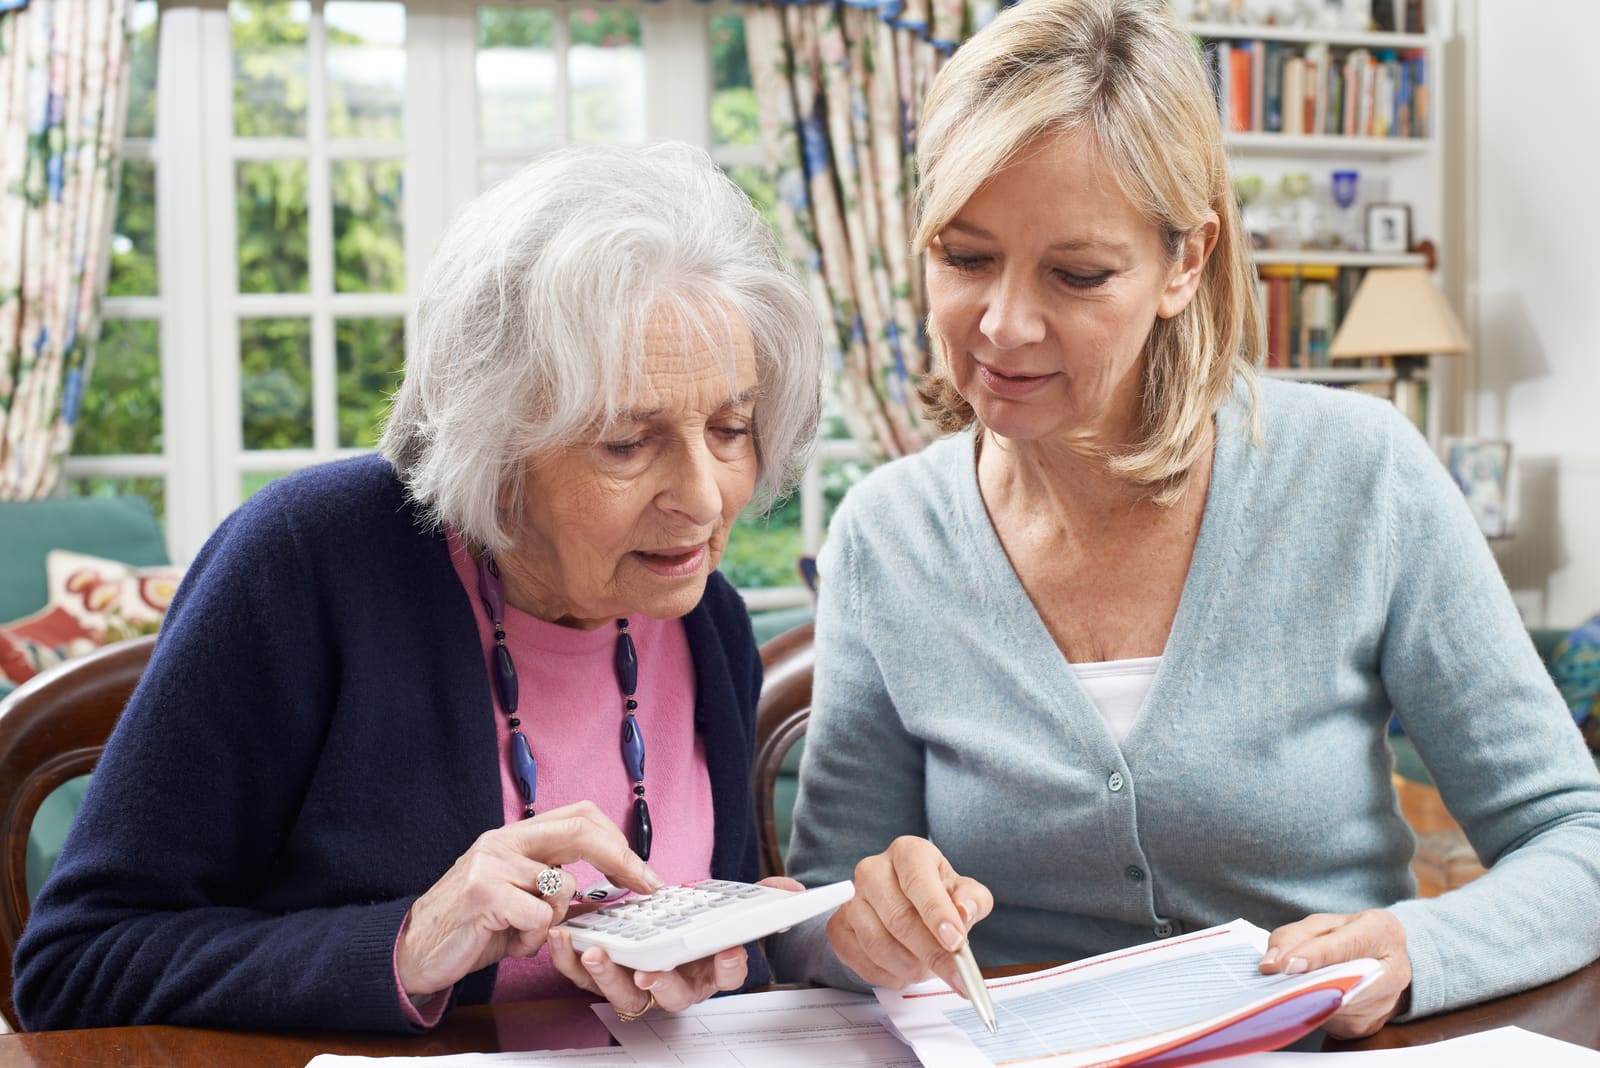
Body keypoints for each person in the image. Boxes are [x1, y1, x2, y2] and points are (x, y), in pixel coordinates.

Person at [769, 0, 1600, 1039]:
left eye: (1077, 274)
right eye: (963, 256)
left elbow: (1576, 837)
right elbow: (814, 914)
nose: (1003, 325)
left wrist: (1417, 950)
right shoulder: (886, 535)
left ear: (1185, 262)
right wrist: (861, 922)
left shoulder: (1358, 475)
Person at [14, 142, 822, 1032]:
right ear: (497, 444)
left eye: (731, 427)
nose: (705, 499)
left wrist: (718, 959)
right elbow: (74, 967)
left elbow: (712, 990)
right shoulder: (305, 563)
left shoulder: (707, 619)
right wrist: (411, 942)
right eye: (627, 444)